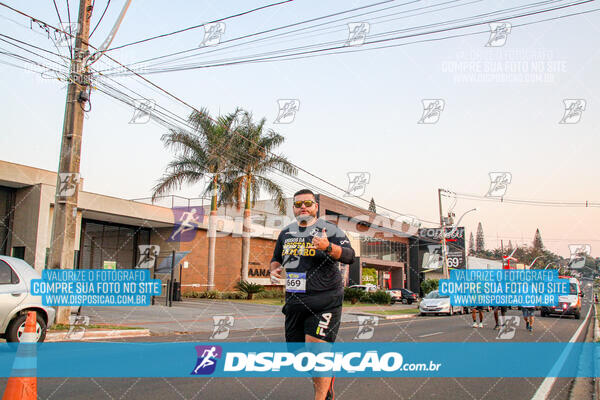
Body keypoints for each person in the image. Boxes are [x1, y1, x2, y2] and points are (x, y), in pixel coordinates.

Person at [270, 189, 355, 400]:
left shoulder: (330, 230)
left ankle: (322, 396)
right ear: (293, 208)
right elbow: (276, 259)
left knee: (317, 351)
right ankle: (328, 379)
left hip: (326, 300)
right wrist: (274, 270)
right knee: (298, 356)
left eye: (308, 203)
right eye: (298, 204)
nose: (303, 208)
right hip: (295, 301)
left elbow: (349, 256)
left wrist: (328, 247)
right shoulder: (286, 233)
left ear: (315, 206)